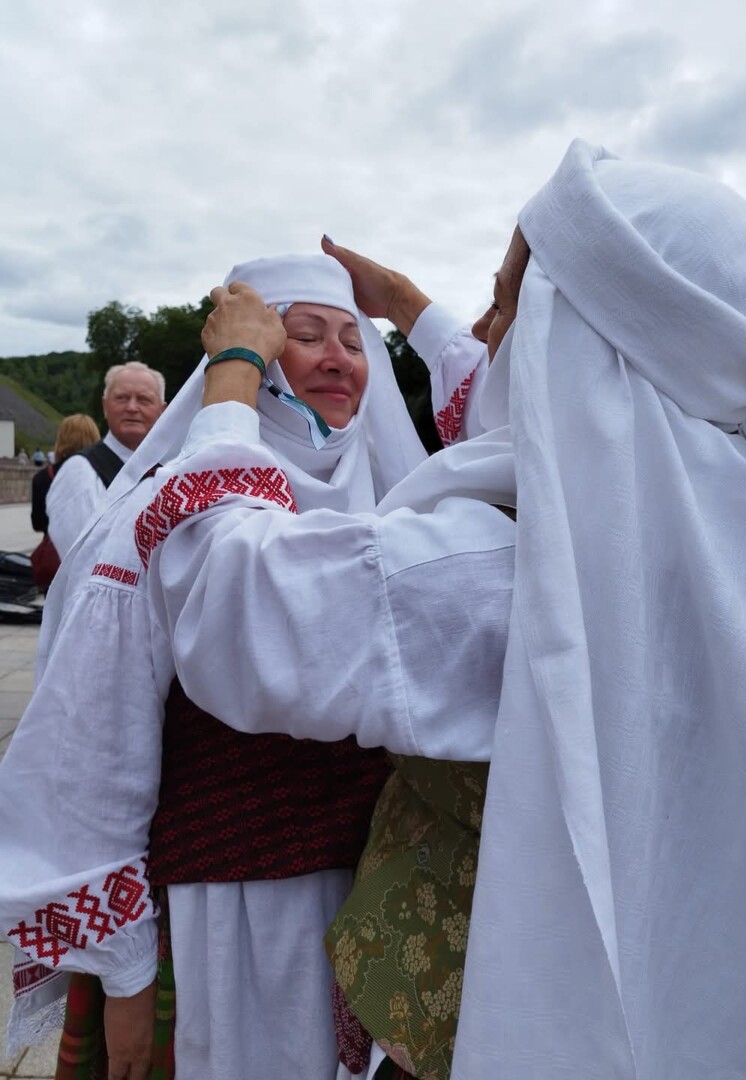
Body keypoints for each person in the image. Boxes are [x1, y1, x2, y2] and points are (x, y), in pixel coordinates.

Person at [135, 140, 746, 1079]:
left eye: (513, 305)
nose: (491, 333)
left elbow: (231, 601)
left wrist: (237, 373)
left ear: (568, 335)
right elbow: (545, 393)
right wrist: (409, 308)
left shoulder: (499, 571)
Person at [0, 253, 496, 1080]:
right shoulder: (163, 509)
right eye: (304, 336)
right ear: (252, 361)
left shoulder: (404, 498)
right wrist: (123, 968)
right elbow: (97, 738)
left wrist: (406, 305)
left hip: (391, 900)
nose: (339, 356)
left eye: (354, 339)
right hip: (240, 897)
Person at [46, 362, 165, 558]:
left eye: (144, 399)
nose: (132, 407)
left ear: (162, 410)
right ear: (105, 406)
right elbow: (84, 561)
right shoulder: (80, 471)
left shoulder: (165, 471)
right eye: (122, 398)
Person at [30, 415, 101, 592]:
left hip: (55, 563)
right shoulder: (102, 473)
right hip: (93, 563)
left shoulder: (42, 477)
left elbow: (37, 523)